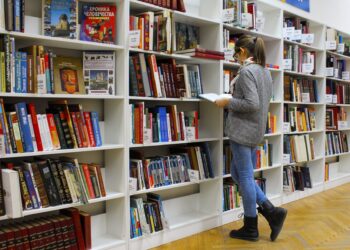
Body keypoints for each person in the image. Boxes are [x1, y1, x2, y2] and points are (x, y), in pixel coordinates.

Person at [216, 35, 287, 242]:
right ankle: (271, 211)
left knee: (245, 177)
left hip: (242, 131)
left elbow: (252, 103)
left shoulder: (247, 72)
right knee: (237, 173)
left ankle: (251, 226)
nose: (235, 58)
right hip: (255, 130)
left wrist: (227, 101)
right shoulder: (264, 71)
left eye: (235, 54)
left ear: (243, 52)